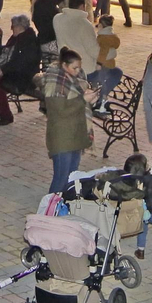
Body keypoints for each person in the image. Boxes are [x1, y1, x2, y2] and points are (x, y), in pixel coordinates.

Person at [41, 48, 93, 194]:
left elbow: (78, 105)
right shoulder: (55, 83)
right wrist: (83, 100)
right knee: (61, 179)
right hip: (62, 138)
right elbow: (61, 111)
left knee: (71, 178)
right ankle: (51, 206)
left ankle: (64, 204)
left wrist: (90, 98)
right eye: (74, 68)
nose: (78, 71)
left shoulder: (76, 80)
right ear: (64, 65)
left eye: (79, 67)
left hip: (75, 135)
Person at [0, 15, 41, 126]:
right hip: (13, 71)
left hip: (23, 76)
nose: (11, 29)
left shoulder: (29, 41)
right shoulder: (18, 38)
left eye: (12, 26)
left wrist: (3, 70)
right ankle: (0, 109)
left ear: (19, 27)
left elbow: (21, 62)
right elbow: (7, 50)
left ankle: (6, 115)